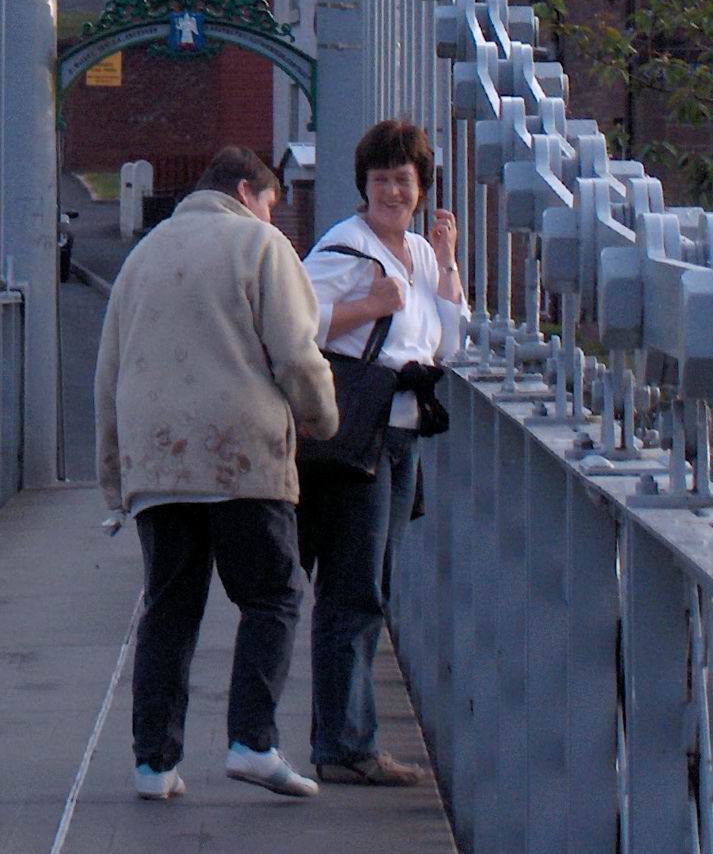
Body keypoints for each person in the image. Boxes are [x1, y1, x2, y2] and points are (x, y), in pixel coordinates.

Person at [95, 146, 340, 802]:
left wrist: (115, 481)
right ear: (245, 192)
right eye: (270, 203)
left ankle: (153, 763)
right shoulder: (260, 245)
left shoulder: (142, 256)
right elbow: (297, 354)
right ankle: (252, 742)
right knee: (273, 595)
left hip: (157, 463)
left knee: (169, 607)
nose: (273, 216)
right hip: (240, 456)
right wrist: (323, 420)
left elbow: (108, 374)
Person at [299, 118, 467, 787]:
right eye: (381, 180)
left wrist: (447, 261)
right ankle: (345, 746)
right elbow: (293, 323)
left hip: (401, 433)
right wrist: (368, 305)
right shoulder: (346, 249)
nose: (393, 191)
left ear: (422, 186)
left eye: (404, 179)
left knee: (374, 585)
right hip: (357, 433)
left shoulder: (420, 252)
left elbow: (449, 344)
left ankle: (346, 740)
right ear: (363, 185)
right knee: (354, 587)